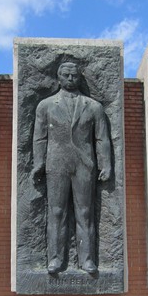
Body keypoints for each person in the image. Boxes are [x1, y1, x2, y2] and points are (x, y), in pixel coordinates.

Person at [32, 62, 112, 274]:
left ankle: (87, 260)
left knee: (84, 213)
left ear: (79, 78)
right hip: (56, 164)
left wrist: (106, 164)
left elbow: (101, 139)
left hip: (84, 166)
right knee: (56, 212)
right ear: (58, 78)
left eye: (74, 76)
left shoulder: (93, 106)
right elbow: (39, 138)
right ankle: (56, 259)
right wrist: (38, 163)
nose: (70, 79)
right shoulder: (46, 105)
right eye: (66, 75)